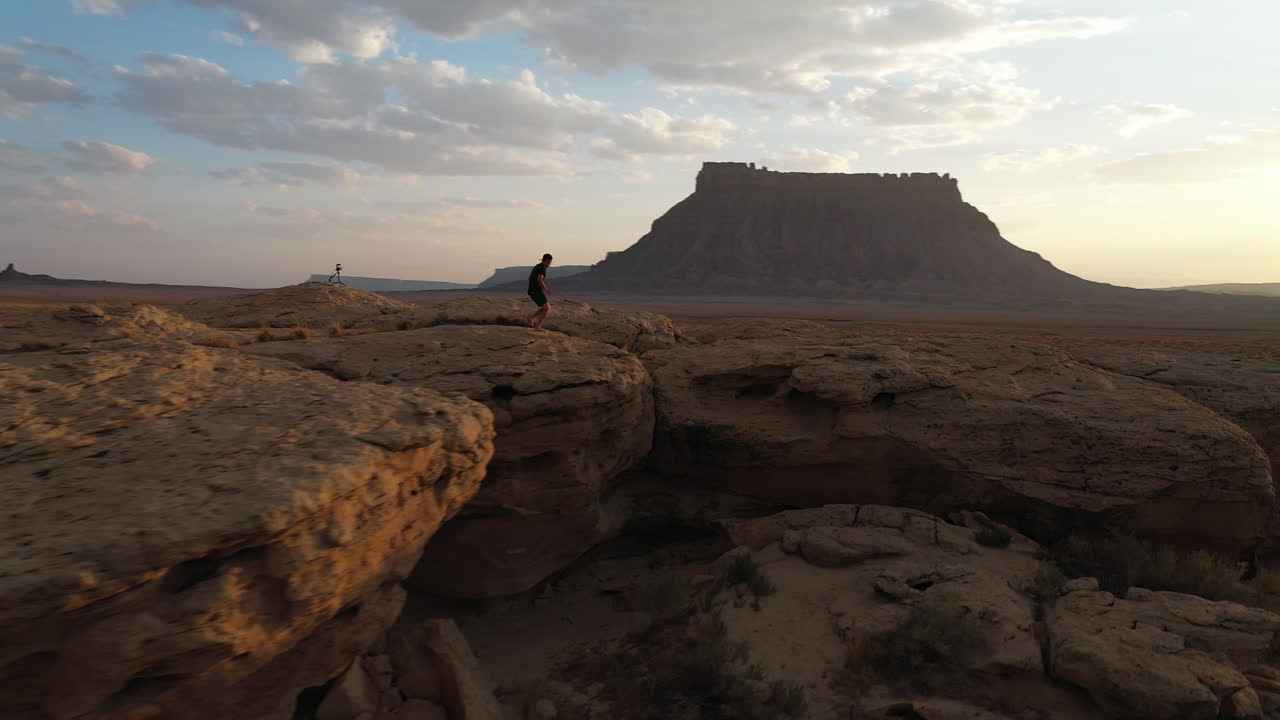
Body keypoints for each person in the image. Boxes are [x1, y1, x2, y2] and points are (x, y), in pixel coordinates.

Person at [526, 253, 554, 330]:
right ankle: (538, 326)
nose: (550, 264)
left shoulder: (537, 266)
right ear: (547, 260)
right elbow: (540, 279)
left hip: (533, 290)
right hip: (536, 291)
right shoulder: (542, 268)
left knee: (546, 308)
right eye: (550, 262)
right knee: (547, 308)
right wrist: (547, 290)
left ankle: (531, 318)